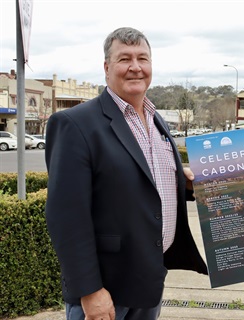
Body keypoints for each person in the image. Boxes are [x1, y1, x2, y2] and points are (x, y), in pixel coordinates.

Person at [45, 27, 208, 320]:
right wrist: (90, 290)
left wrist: (180, 181)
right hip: (107, 288)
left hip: (150, 279)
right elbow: (65, 217)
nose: (135, 67)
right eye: (124, 59)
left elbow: (141, 177)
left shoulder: (157, 120)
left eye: (142, 58)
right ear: (107, 68)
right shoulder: (75, 123)